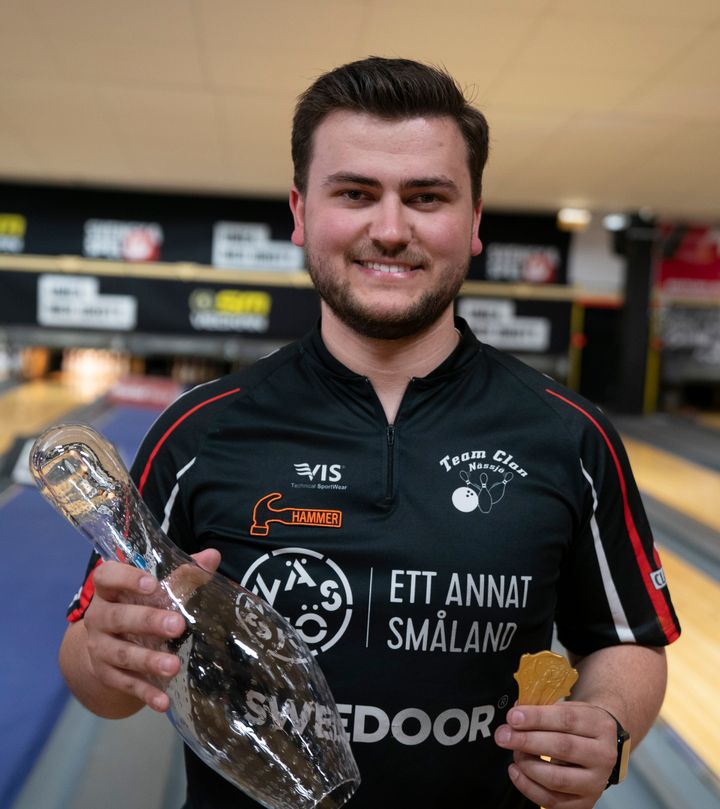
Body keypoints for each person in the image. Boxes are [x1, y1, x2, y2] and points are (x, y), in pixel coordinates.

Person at [59, 57, 681, 809]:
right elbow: (97, 670)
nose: (390, 230)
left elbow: (625, 639)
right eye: (355, 193)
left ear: (474, 220)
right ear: (300, 211)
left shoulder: (571, 437)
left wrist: (608, 724)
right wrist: (108, 654)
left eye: (427, 197)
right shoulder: (197, 433)